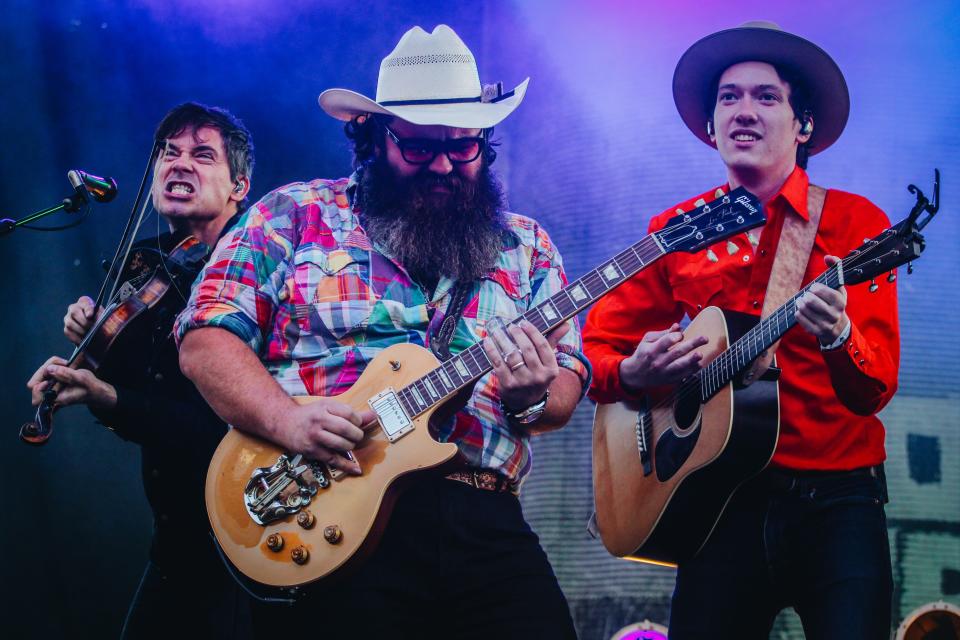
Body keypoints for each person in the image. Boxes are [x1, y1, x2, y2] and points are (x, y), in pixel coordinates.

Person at [175, 25, 589, 639]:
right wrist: (287, 421)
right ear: (371, 138)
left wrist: (533, 392)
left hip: (483, 514)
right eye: (420, 148)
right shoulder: (292, 216)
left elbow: (565, 387)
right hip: (334, 505)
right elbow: (206, 340)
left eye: (464, 147)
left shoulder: (526, 245)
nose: (445, 165)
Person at [583, 22, 898, 639]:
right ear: (710, 126)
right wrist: (633, 372)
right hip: (717, 502)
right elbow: (596, 350)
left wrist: (837, 337)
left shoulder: (858, 223)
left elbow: (875, 388)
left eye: (765, 96)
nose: (743, 111)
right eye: (728, 98)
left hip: (838, 505)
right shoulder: (675, 229)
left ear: (803, 125)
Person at [27, 102, 255, 639]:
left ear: (238, 187)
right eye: (169, 153)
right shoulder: (149, 262)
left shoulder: (255, 271)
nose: (180, 164)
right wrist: (93, 344)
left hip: (249, 540)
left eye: (202, 155)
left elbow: (218, 429)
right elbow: (146, 394)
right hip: (176, 543)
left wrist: (105, 396)